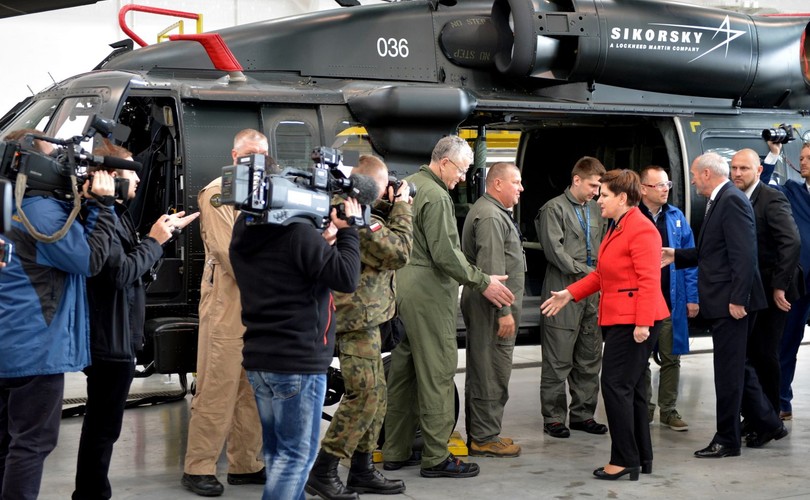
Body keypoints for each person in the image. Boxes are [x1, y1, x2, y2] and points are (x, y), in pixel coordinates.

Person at [382, 135, 514, 479]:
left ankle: (394, 451)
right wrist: (483, 280)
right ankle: (437, 458)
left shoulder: (408, 185)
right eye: (462, 169)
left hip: (400, 289)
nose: (462, 178)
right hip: (428, 292)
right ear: (444, 162)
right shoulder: (438, 196)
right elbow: (445, 255)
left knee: (403, 374)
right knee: (438, 373)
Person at [73, 142, 198, 500]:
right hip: (109, 339)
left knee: (102, 426)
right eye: (132, 171)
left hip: (115, 332)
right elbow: (119, 274)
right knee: (103, 427)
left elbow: (132, 271)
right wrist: (156, 242)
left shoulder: (113, 214)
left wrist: (161, 236)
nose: (141, 179)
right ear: (110, 177)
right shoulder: (102, 216)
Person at [0, 137, 118, 499]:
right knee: (32, 444)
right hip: (33, 350)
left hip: (9, 342)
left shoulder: (9, 204)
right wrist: (104, 206)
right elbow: (89, 260)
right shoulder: (41, 213)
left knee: (5, 442)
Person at [230, 187, 362, 500]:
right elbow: (346, 277)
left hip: (261, 359)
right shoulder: (299, 235)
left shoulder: (244, 231)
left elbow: (286, 267)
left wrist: (321, 243)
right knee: (296, 458)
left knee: (278, 455)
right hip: (297, 363)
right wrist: (349, 232)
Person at [541, 169, 669, 481]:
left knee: (614, 387)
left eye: (605, 195)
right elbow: (601, 275)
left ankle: (624, 458)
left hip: (634, 322)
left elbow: (649, 279)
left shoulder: (641, 229)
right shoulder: (618, 227)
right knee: (634, 389)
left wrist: (642, 324)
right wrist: (569, 294)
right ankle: (641, 457)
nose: (599, 200)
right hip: (621, 319)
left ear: (623, 198)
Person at [662, 152, 787, 458]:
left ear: (706, 174)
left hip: (732, 303)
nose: (691, 179)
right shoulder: (722, 198)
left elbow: (744, 255)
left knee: (728, 374)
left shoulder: (730, 199)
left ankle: (727, 440)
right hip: (726, 299)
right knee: (739, 369)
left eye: (694, 174)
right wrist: (677, 256)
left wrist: (738, 300)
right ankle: (770, 423)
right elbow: (714, 251)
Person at [307, 155, 413, 499]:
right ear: (375, 186)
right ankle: (324, 469)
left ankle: (362, 469)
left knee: (377, 396)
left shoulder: (357, 209)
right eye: (385, 186)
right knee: (364, 396)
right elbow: (398, 252)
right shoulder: (351, 213)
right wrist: (402, 208)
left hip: (368, 318)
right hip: (355, 320)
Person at [182, 129, 269, 497]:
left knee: (251, 388)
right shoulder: (219, 192)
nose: (256, 161)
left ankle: (246, 464)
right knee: (218, 386)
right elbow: (228, 253)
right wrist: (277, 280)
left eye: (262, 155)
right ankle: (198, 466)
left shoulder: (267, 191)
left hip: (259, 304)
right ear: (234, 156)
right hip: (227, 304)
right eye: (250, 154)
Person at [535, 157, 608, 438]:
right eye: (592, 185)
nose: (596, 192)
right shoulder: (554, 209)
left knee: (589, 356)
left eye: (599, 187)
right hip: (563, 290)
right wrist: (591, 272)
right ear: (576, 179)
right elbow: (556, 252)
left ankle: (583, 414)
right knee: (558, 358)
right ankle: (553, 417)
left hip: (592, 292)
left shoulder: (596, 210)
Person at [730, 148, 800, 421]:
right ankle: (754, 413)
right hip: (750, 288)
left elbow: (791, 242)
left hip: (773, 291)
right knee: (748, 353)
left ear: (758, 171)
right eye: (734, 168)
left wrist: (779, 286)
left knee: (765, 354)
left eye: (744, 169)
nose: (737, 173)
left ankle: (770, 417)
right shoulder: (733, 197)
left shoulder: (772, 198)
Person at [460, 162, 525, 458]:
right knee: (490, 369)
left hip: (492, 305)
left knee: (488, 367)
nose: (521, 188)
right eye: (516, 182)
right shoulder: (489, 216)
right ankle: (485, 438)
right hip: (492, 308)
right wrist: (505, 312)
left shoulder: (493, 212)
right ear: (497, 184)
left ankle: (485, 433)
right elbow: (492, 271)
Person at [638, 166, 699, 431]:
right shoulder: (630, 217)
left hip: (670, 303)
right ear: (643, 189)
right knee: (640, 360)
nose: (665, 190)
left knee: (671, 357)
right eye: (659, 185)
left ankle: (669, 410)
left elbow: (690, 261)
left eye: (667, 184)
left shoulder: (676, 217)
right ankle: (644, 409)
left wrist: (692, 298)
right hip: (641, 303)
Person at [760, 140, 810, 421]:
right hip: (799, 284)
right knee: (786, 344)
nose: (802, 162)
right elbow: (761, 186)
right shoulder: (791, 191)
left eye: (808, 158)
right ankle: (781, 401)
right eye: (801, 158)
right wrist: (774, 155)